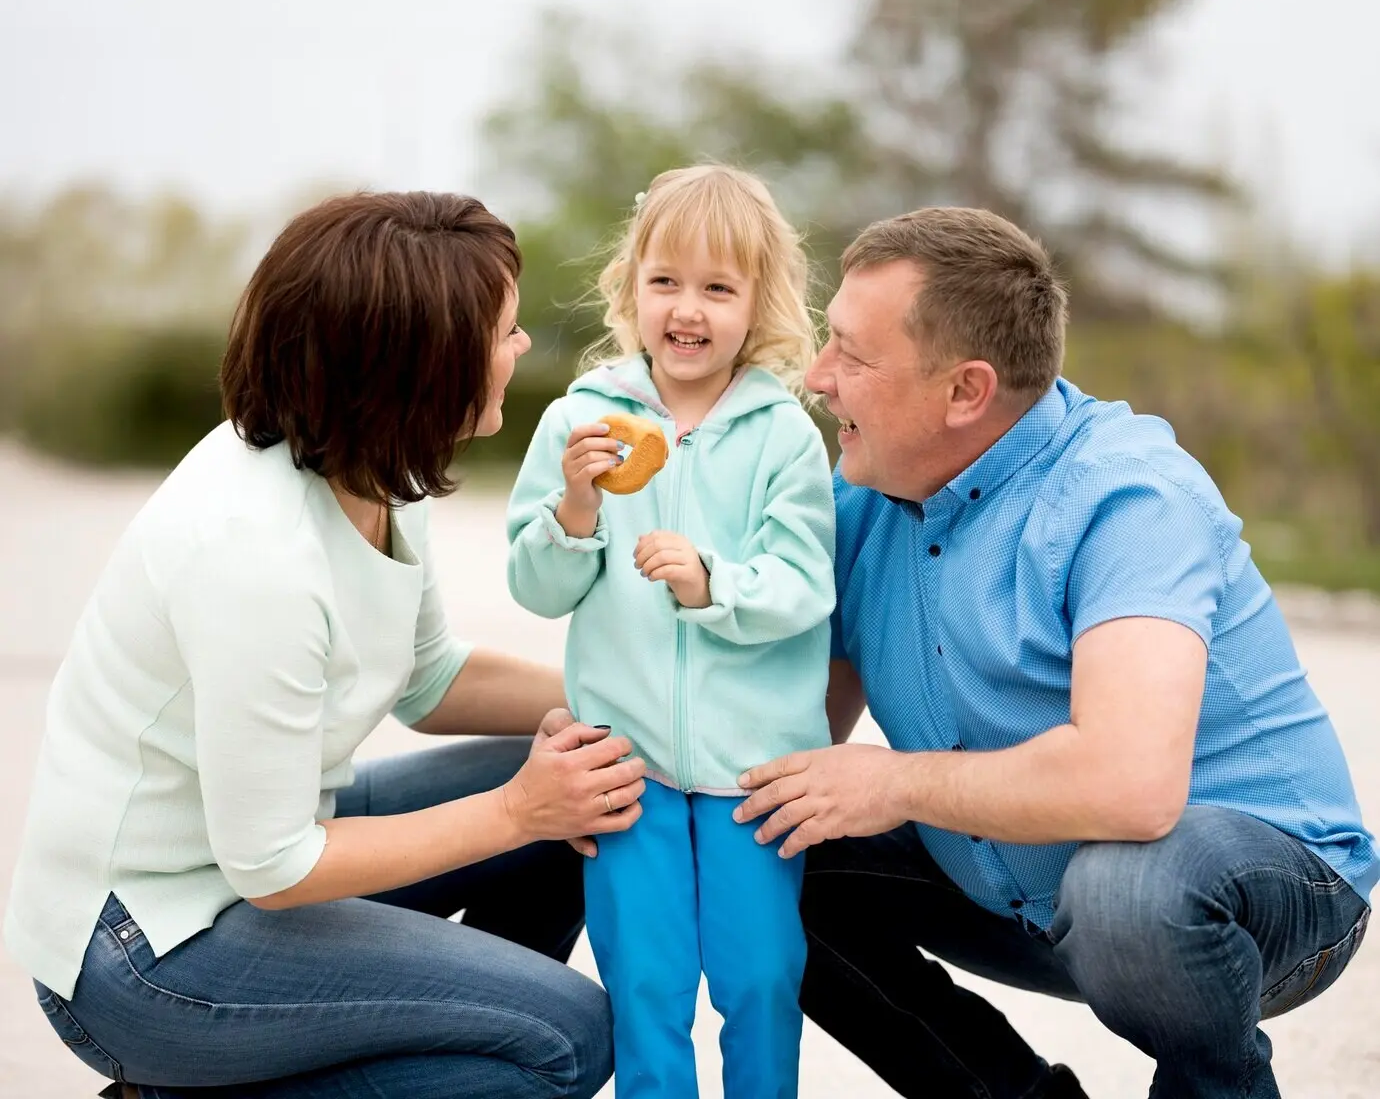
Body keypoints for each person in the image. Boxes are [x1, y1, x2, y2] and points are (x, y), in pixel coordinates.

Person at [5, 191, 647, 1099]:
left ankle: (432, 1030)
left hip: (254, 855)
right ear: (421, 367)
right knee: (568, 1038)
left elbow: (429, 680)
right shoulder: (252, 555)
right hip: (144, 953)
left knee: (583, 777)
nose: (520, 350)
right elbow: (273, 867)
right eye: (503, 332)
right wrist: (515, 812)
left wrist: (626, 705)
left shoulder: (374, 470)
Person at [734, 206, 1375, 1099]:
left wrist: (894, 782)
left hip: (1259, 893)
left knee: (1128, 890)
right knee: (757, 851)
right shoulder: (862, 504)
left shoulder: (1127, 496)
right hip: (1029, 893)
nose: (818, 376)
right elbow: (788, 733)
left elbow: (1130, 787)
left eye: (852, 354)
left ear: (965, 391)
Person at [506, 164, 835, 1098]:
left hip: (754, 774)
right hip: (627, 763)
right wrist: (574, 510)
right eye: (666, 282)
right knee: (646, 982)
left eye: (717, 289)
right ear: (632, 288)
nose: (687, 310)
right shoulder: (582, 422)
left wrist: (710, 584)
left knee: (761, 977)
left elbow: (806, 584)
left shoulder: (782, 435)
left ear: (757, 304)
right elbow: (534, 586)